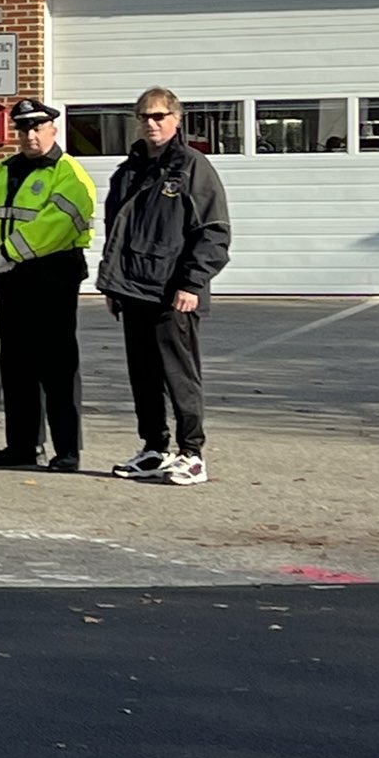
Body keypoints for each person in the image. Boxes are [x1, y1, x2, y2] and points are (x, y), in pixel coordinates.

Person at [98, 87, 232, 486]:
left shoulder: (192, 167)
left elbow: (213, 232)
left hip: (174, 294)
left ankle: (192, 453)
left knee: (180, 375)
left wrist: (193, 282)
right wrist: (112, 285)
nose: (151, 123)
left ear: (176, 120)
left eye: (159, 116)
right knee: (143, 376)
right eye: (144, 116)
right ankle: (154, 447)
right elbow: (116, 231)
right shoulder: (128, 171)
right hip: (133, 289)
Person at [0, 98, 97, 472]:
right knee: (17, 366)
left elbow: (57, 225)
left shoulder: (69, 173)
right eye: (24, 129)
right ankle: (22, 446)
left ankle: (67, 450)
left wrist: (7, 252)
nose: (30, 135)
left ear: (53, 129)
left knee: (58, 367)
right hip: (11, 279)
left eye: (37, 128)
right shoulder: (4, 169)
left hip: (52, 277)